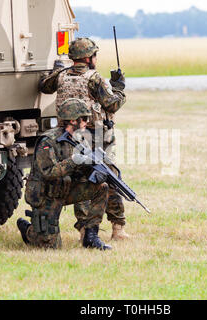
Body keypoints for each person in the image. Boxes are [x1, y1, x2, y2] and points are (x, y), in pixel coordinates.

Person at [38, 37, 130, 241]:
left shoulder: (61, 76)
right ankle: (118, 227)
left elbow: (44, 86)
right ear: (88, 58)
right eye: (94, 55)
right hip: (93, 136)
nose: (96, 58)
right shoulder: (94, 78)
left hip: (67, 137)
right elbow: (112, 105)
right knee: (109, 175)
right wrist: (119, 88)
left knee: (80, 179)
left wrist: (55, 70)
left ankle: (84, 230)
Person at [17, 98, 111, 250]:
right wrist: (74, 160)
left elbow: (81, 169)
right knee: (51, 247)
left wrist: (94, 168)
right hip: (46, 195)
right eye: (84, 119)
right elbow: (49, 172)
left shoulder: (79, 139)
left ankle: (91, 236)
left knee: (102, 187)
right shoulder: (48, 141)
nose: (87, 122)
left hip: (65, 189)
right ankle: (29, 231)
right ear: (73, 120)